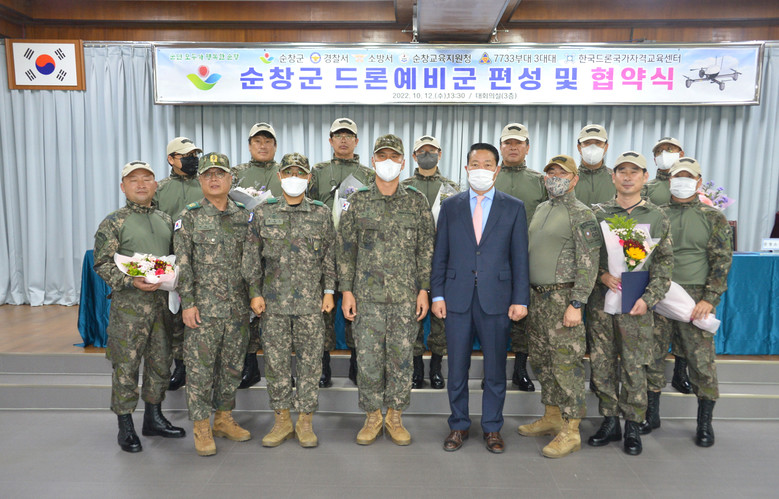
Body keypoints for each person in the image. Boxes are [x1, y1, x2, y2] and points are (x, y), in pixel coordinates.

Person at [432, 143, 530, 454]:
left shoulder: (513, 207)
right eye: (475, 164)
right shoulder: (451, 206)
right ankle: (458, 424)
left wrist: (520, 299)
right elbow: (440, 254)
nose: (481, 169)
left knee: (496, 369)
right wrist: (437, 294)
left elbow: (520, 258)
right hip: (457, 298)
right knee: (456, 368)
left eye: (488, 164)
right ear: (466, 169)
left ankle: (492, 427)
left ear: (497, 170)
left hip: (497, 299)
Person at [338, 134, 435, 446]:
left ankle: (394, 416)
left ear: (403, 163)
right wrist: (346, 291)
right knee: (367, 360)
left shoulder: (416, 202)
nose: (388, 162)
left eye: (394, 157)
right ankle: (372, 416)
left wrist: (424, 289)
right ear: (373, 161)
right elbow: (346, 250)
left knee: (401, 359)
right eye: (382, 156)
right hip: (366, 298)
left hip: (405, 298)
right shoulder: (358, 201)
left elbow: (426, 250)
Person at [243, 153, 337, 448]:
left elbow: (330, 256)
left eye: (300, 173)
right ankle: (282, 420)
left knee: (310, 364)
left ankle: (305, 421)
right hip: (274, 304)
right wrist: (254, 292)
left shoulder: (321, 213)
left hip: (311, 304)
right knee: (276, 364)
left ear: (309, 178)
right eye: (288, 173)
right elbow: (251, 258)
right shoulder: (263, 213)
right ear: (280, 177)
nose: (294, 178)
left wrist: (329, 291)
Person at [94, 161, 185, 453]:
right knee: (126, 366)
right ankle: (125, 426)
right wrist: (130, 281)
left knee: (160, 362)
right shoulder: (114, 222)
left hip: (162, 304)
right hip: (129, 308)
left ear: (156, 185)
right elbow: (102, 263)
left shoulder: (166, 220)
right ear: (123, 187)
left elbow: (175, 258)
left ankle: (153, 418)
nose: (141, 184)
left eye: (147, 178)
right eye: (134, 180)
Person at [587, 151, 673, 456]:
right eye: (621, 171)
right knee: (602, 364)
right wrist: (601, 275)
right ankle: (610, 420)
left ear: (645, 177)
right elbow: (587, 257)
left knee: (635, 366)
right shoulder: (598, 214)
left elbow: (664, 265)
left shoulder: (657, 216)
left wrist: (648, 299)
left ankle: (633, 425)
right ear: (613, 177)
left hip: (636, 305)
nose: (627, 177)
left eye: (634, 171)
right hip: (602, 303)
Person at [643, 157, 732, 446]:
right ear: (669, 180)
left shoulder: (713, 217)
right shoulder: (656, 214)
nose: (682, 181)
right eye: (677, 176)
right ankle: (651, 415)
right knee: (652, 356)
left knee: (701, 361)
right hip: (659, 291)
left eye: (688, 177)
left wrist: (710, 298)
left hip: (695, 298)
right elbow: (642, 254)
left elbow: (721, 261)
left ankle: (704, 424)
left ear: (698, 181)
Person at [518, 155, 600, 458]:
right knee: (543, 362)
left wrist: (577, 303)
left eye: (562, 173)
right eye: (551, 172)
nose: (555, 178)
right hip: (537, 299)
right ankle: (552, 417)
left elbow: (589, 263)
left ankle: (571, 429)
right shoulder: (541, 208)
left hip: (563, 299)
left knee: (567, 366)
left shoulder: (582, 214)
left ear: (575, 179)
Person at [174, 152, 252, 456]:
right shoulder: (190, 216)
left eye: (220, 174)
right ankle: (201, 426)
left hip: (237, 307)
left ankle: (223, 418)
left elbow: (251, 261)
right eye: (208, 174)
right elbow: (183, 264)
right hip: (203, 309)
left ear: (231, 179)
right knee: (200, 370)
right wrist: (188, 303)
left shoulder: (243, 215)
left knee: (232, 367)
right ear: (200, 180)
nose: (214, 179)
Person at [310, 118, 375, 388]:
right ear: (330, 140)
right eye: (338, 135)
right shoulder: (318, 171)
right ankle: (323, 364)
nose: (344, 140)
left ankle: (356, 363)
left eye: (349, 135)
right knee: (322, 309)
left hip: (356, 251)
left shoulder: (368, 174)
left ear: (357, 141)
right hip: (322, 250)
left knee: (355, 307)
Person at [400, 134, 460, 390]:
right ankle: (416, 367)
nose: (427, 155)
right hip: (410, 263)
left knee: (440, 316)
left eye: (432, 151)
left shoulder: (452, 188)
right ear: (414, 156)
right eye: (422, 151)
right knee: (412, 314)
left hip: (444, 261)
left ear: (440, 154)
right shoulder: (403, 187)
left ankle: (436, 366)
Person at [494, 123, 546, 392]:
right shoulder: (489, 176)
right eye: (508, 143)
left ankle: (520, 369)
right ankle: (493, 370)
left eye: (518, 143)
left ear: (527, 148)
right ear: (500, 147)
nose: (513, 148)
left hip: (526, 258)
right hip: (492, 259)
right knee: (493, 315)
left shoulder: (539, 181)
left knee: (523, 316)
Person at [232, 122, 283, 389]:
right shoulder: (236, 173)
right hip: (244, 247)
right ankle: (249, 365)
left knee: (278, 310)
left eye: (268, 141)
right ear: (250, 145)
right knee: (247, 307)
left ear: (275, 145)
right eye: (257, 141)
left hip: (279, 252)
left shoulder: (285, 172)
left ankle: (282, 368)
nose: (263, 146)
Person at [643, 136, 694, 394]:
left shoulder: (691, 185)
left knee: (685, 325)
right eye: (660, 151)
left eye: (670, 149)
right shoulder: (648, 188)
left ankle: (680, 372)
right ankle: (653, 384)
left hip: (686, 267)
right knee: (658, 330)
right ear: (654, 159)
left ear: (680, 153)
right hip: (657, 266)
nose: (665, 154)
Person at [154, 136, 203, 392]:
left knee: (201, 315)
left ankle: (202, 366)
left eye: (195, 155)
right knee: (173, 318)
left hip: (205, 260)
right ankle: (180, 366)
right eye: (186, 156)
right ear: (171, 159)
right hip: (171, 260)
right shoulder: (159, 189)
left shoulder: (206, 183)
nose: (193, 159)